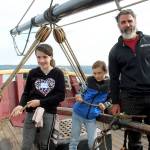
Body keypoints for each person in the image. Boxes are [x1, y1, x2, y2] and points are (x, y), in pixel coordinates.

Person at [10, 43, 65, 150]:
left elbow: (60, 96)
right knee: (26, 145)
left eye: (45, 57)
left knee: (44, 144)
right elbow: (26, 93)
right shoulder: (32, 73)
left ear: (51, 57)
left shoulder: (58, 73)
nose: (41, 60)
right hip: (31, 113)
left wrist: (40, 102)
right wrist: (20, 105)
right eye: (38, 57)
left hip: (49, 113)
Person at [109, 9, 150, 150]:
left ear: (135, 21)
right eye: (123, 22)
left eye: (130, 21)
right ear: (119, 25)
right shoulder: (115, 51)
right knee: (134, 139)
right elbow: (113, 79)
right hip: (130, 99)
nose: (127, 24)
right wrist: (115, 102)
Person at [69, 60, 110, 150]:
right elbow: (81, 90)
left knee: (93, 143)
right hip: (78, 113)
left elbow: (110, 100)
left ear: (105, 72)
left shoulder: (110, 85)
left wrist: (105, 105)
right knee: (74, 140)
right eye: (94, 73)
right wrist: (79, 95)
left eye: (99, 73)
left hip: (91, 118)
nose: (97, 76)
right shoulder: (89, 80)